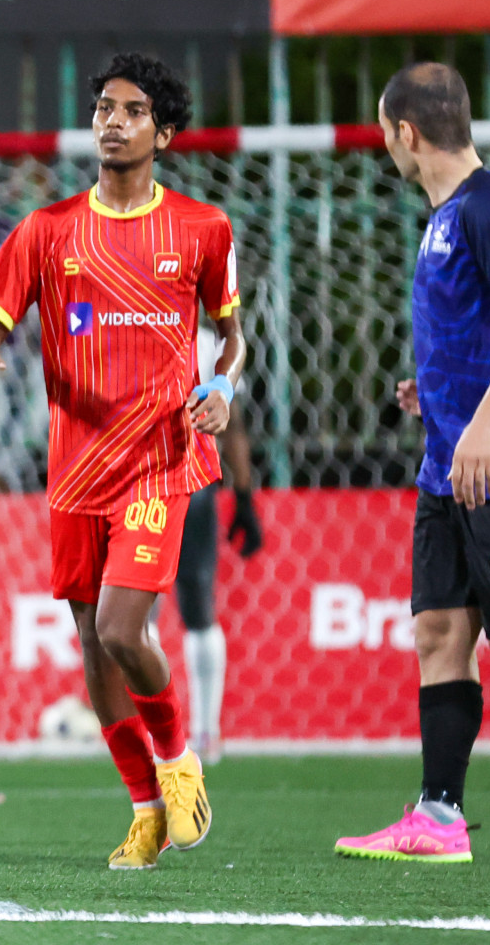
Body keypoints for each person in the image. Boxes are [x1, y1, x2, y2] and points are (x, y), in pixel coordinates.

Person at [0, 52, 245, 872]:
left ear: (163, 130)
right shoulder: (45, 232)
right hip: (74, 466)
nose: (112, 122)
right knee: (91, 642)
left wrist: (221, 385)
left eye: (131, 111)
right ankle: (146, 812)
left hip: (159, 457)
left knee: (125, 628)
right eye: (103, 110)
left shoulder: (202, 229)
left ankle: (179, 756)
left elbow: (232, 334)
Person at [335, 62, 490, 864]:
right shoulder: (443, 217)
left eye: (384, 131)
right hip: (448, 468)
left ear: (407, 133)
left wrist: (486, 425)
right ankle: (439, 817)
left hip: (489, 468)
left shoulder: (486, 206)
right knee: (439, 628)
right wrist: (433, 397)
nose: (385, 147)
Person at [168, 325, 263, 765]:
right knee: (133, 614)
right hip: (152, 484)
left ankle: (202, 733)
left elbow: (232, 422)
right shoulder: (206, 340)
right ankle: (181, 735)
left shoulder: (206, 343)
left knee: (192, 606)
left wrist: (244, 499)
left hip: (185, 484)